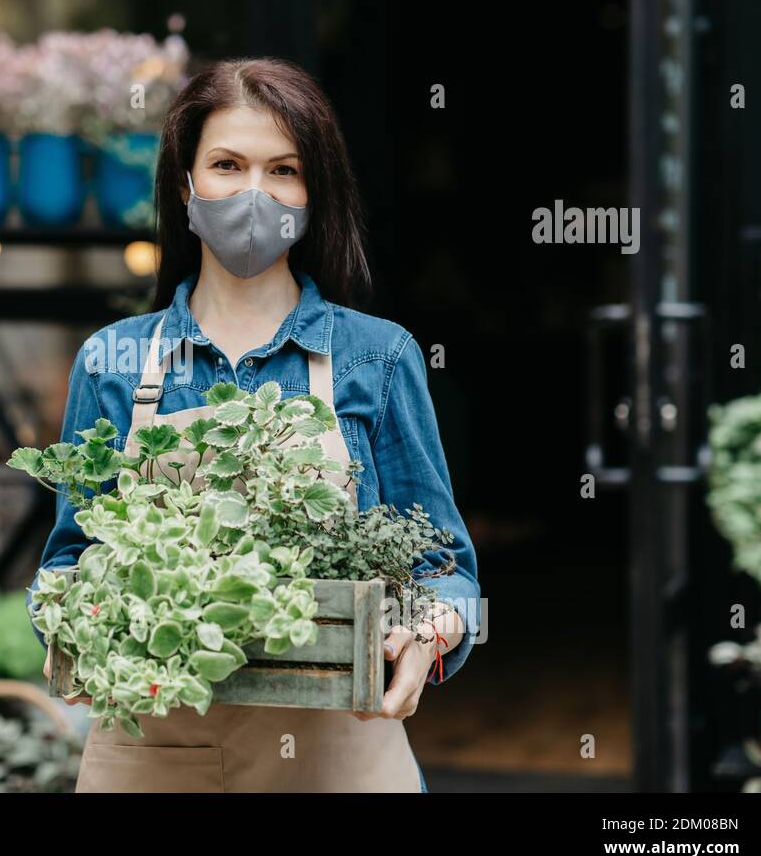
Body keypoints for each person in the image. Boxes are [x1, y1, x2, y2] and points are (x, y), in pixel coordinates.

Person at [26, 57, 480, 792]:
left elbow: (445, 570)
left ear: (313, 191)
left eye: (283, 170)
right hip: (155, 754)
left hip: (337, 755)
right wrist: (68, 626)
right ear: (186, 185)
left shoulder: (379, 357)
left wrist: (428, 634)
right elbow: (69, 558)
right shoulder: (112, 360)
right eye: (227, 165)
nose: (253, 194)